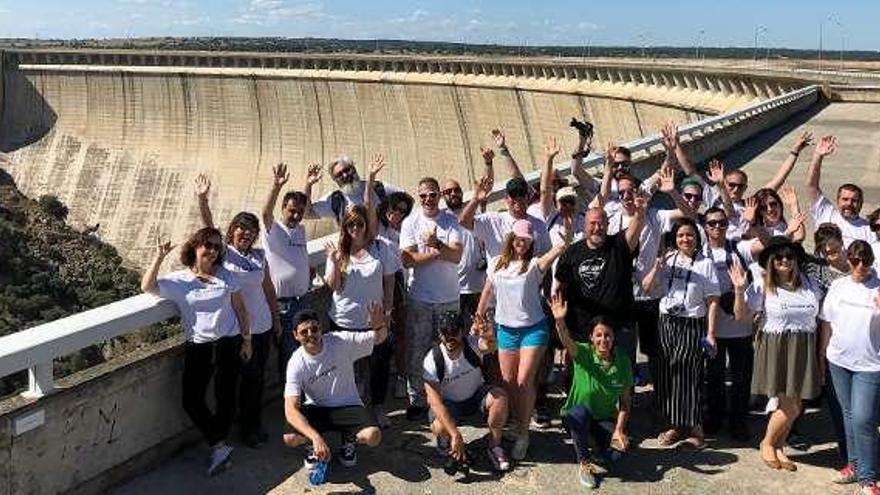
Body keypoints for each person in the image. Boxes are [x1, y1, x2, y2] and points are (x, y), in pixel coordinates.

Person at [141, 227, 252, 476]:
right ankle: (219, 445)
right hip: (199, 347)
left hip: (228, 343)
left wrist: (247, 340)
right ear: (194, 247)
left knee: (226, 398)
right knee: (191, 401)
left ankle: (219, 448)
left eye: (216, 247)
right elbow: (147, 286)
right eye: (207, 245)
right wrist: (159, 257)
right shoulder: (180, 281)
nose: (212, 251)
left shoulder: (226, 276)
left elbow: (241, 310)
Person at [474, 219, 570, 460]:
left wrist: (563, 238)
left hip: (533, 329)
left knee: (524, 380)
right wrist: (478, 316)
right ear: (511, 237)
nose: (522, 243)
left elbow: (556, 251)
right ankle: (517, 423)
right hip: (506, 329)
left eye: (527, 240)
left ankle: (524, 434)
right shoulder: (496, 263)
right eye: (519, 238)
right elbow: (487, 291)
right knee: (508, 383)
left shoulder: (534, 264)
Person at [194, 174, 278, 448]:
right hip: (238, 333)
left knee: (255, 382)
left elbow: (268, 289)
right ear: (232, 231)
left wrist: (276, 319)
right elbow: (208, 228)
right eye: (241, 228)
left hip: (262, 328)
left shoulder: (259, 256)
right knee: (230, 385)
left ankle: (251, 428)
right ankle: (226, 431)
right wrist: (202, 199)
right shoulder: (225, 254)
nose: (246, 233)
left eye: (251, 230)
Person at [730, 236, 822, 471]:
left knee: (796, 403)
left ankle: (779, 447)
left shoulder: (810, 283)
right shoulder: (762, 285)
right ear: (770, 261)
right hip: (777, 347)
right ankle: (767, 443)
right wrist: (739, 291)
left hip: (804, 346)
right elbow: (741, 316)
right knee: (790, 405)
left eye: (789, 256)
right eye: (779, 257)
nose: (784, 260)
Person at [642, 217, 720, 448]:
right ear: (674, 240)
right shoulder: (667, 259)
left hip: (692, 323)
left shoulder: (705, 264)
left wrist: (711, 334)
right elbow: (647, 288)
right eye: (680, 236)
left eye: (690, 235)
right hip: (666, 321)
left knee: (687, 373)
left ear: (697, 238)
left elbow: (713, 301)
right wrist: (656, 269)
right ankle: (676, 426)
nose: (685, 239)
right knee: (666, 372)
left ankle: (696, 429)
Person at [282, 306, 386, 472]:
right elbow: (290, 409)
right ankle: (313, 444)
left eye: (314, 329)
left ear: (321, 328)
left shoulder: (340, 341)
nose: (310, 334)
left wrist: (379, 325)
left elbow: (378, 338)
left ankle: (349, 439)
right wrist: (314, 437)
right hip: (317, 408)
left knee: (373, 436)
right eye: (304, 332)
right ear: (295, 335)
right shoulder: (296, 362)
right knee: (290, 438)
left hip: (348, 405)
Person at [551, 293, 633, 489]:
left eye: (607, 335)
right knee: (578, 414)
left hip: (603, 419)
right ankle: (584, 462)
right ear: (591, 337)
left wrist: (619, 430)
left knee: (618, 455)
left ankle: (595, 445)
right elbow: (566, 340)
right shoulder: (583, 353)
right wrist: (560, 321)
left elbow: (625, 403)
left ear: (614, 338)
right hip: (577, 414)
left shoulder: (623, 361)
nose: (603, 339)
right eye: (598, 335)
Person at [554, 198, 647, 368]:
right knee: (585, 381)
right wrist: (563, 324)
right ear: (584, 225)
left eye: (601, 223)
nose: (597, 228)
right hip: (582, 331)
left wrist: (640, 214)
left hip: (619, 327)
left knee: (620, 379)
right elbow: (560, 287)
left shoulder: (619, 245)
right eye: (593, 223)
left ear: (608, 224)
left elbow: (635, 229)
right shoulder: (572, 252)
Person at [400, 177, 464, 420]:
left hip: (448, 297)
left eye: (433, 195)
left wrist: (434, 244)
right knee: (418, 348)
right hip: (421, 298)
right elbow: (406, 260)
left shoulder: (451, 221)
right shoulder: (410, 222)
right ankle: (417, 398)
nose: (428, 200)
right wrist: (439, 252)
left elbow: (457, 256)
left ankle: (445, 395)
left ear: (439, 196)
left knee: (449, 348)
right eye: (423, 195)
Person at [820, 240, 880, 493]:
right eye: (856, 260)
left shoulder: (878, 287)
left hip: (870, 364)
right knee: (849, 415)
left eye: (866, 261)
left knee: (864, 419)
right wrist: (822, 355)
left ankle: (868, 477)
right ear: (849, 260)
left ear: (872, 262)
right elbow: (826, 322)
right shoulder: (838, 286)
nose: (861, 266)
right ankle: (854, 466)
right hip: (838, 361)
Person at [424, 312, 511, 473]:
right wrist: (454, 433)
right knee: (438, 426)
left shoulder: (472, 345)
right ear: (439, 334)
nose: (450, 338)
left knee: (500, 397)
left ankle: (495, 446)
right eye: (445, 333)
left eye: (454, 333)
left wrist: (490, 336)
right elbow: (435, 402)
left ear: (462, 331)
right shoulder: (432, 360)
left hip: (475, 397)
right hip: (449, 405)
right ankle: (446, 441)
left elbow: (490, 346)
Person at [701, 207, 756, 441]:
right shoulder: (699, 252)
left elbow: (763, 244)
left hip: (741, 326)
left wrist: (752, 224)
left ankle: (739, 421)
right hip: (712, 327)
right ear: (705, 226)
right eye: (711, 223)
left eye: (722, 223)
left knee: (741, 379)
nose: (717, 227)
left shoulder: (739, 248)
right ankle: (715, 416)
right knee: (713, 377)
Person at [262, 163, 318, 381]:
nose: (295, 215)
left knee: (306, 351)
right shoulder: (273, 229)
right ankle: (292, 402)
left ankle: (302, 394)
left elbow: (303, 204)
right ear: (283, 208)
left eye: (299, 212)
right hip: (282, 305)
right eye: (291, 210)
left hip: (302, 300)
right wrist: (276, 186)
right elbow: (265, 213)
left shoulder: (300, 230)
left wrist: (308, 185)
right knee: (288, 353)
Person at [376, 190, 415, 400]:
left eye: (402, 210)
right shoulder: (376, 228)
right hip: (374, 284)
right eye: (394, 208)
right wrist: (371, 179)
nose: (397, 213)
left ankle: (401, 377)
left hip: (399, 285)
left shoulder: (406, 231)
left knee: (401, 335)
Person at [460, 173, 552, 259]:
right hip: (498, 275)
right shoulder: (492, 220)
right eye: (513, 195)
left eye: (521, 195)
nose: (518, 199)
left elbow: (546, 256)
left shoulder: (539, 225)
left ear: (528, 197)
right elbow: (464, 222)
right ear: (506, 199)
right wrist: (476, 200)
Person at [806, 135, 874, 246]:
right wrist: (818, 156)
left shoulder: (869, 230)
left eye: (854, 200)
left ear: (861, 203)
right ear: (838, 200)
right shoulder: (826, 213)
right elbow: (811, 186)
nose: (849, 204)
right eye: (845, 199)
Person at [309, 155, 404, 224]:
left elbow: (406, 199)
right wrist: (308, 184)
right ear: (335, 180)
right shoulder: (335, 200)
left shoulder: (379, 188)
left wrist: (398, 219)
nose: (345, 175)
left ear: (354, 168)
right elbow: (307, 213)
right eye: (339, 175)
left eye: (347, 170)